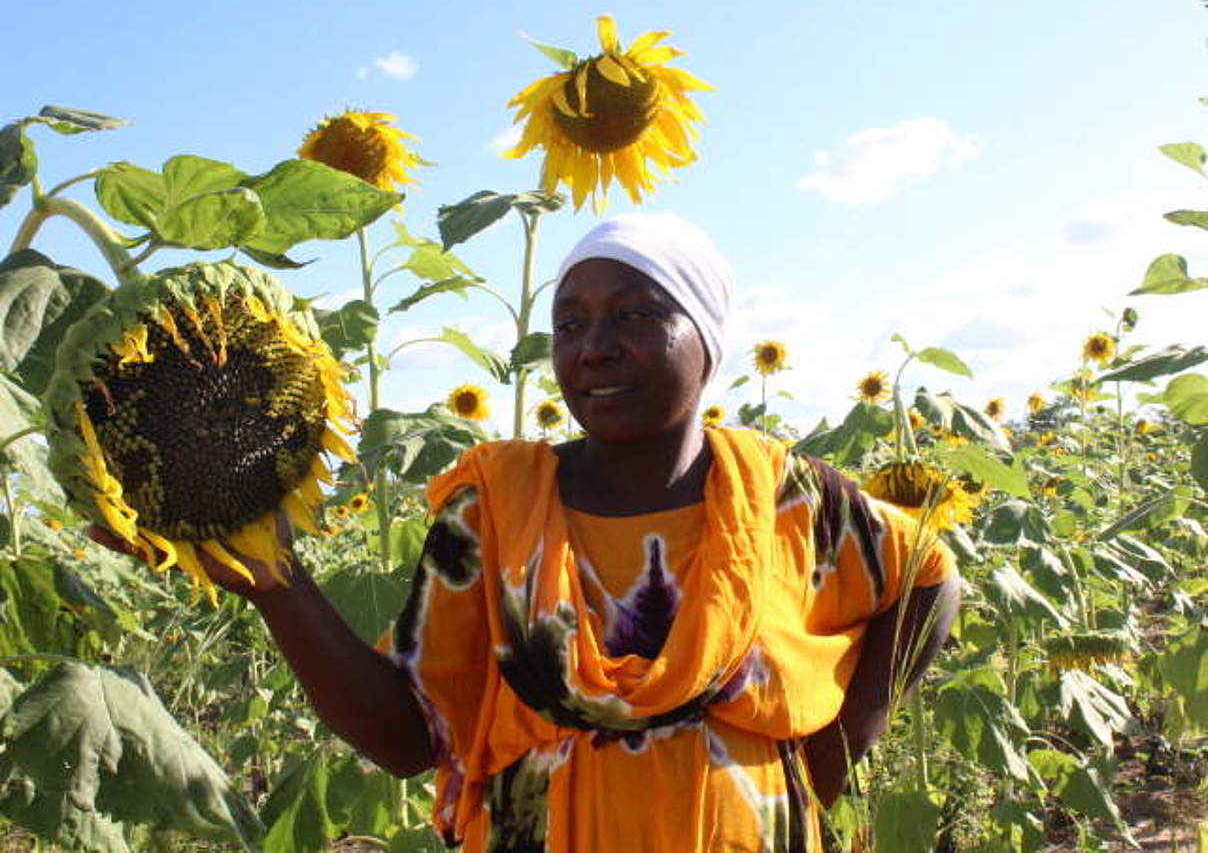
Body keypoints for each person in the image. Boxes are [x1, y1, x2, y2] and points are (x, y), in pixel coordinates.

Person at [94, 213, 959, 853]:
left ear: (708, 338)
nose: (594, 347)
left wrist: (847, 739)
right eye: (572, 322)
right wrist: (274, 584)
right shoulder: (496, 508)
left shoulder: (783, 495)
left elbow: (930, 573)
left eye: (634, 314)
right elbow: (407, 738)